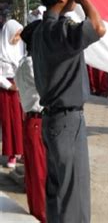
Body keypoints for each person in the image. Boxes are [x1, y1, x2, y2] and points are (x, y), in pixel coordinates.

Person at [31, 0, 106, 222]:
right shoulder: (59, 31)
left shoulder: (39, 31)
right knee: (73, 200)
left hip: (53, 121)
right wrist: (84, 0)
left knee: (58, 196)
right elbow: (98, 27)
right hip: (67, 122)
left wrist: (71, 1)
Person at [15, 22, 46, 223]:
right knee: (39, 172)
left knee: (36, 172)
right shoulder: (31, 64)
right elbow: (46, 90)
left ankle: (38, 211)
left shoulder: (27, 63)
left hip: (33, 122)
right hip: (36, 121)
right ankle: (42, 214)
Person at [0, 19, 24, 169]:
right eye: (15, 35)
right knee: (9, 122)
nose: (17, 39)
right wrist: (9, 86)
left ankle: (20, 151)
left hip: (21, 88)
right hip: (7, 91)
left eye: (19, 35)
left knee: (21, 120)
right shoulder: (1, 51)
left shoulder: (19, 49)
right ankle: (11, 153)